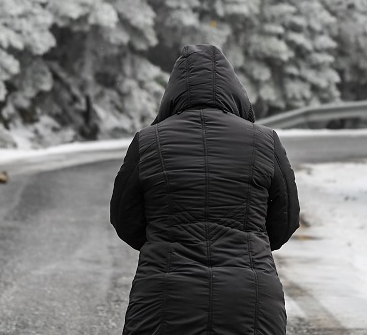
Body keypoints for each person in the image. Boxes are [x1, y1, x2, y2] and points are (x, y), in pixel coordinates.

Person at [110, 44, 299, 335]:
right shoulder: (264, 141)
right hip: (250, 295)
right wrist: (250, 245)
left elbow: (125, 219)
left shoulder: (149, 142)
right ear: (234, 90)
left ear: (173, 93)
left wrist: (164, 242)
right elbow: (284, 219)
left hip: (165, 295)